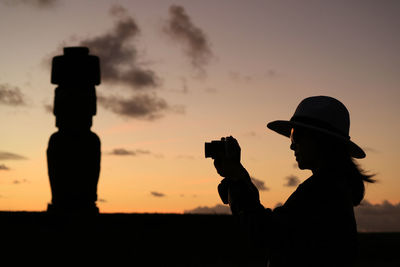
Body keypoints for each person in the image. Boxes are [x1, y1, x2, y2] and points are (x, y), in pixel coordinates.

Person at [213, 96, 375, 267]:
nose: (292, 145)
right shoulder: (334, 187)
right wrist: (237, 178)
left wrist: (237, 177)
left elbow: (265, 234)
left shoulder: (322, 191)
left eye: (296, 135)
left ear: (320, 141)